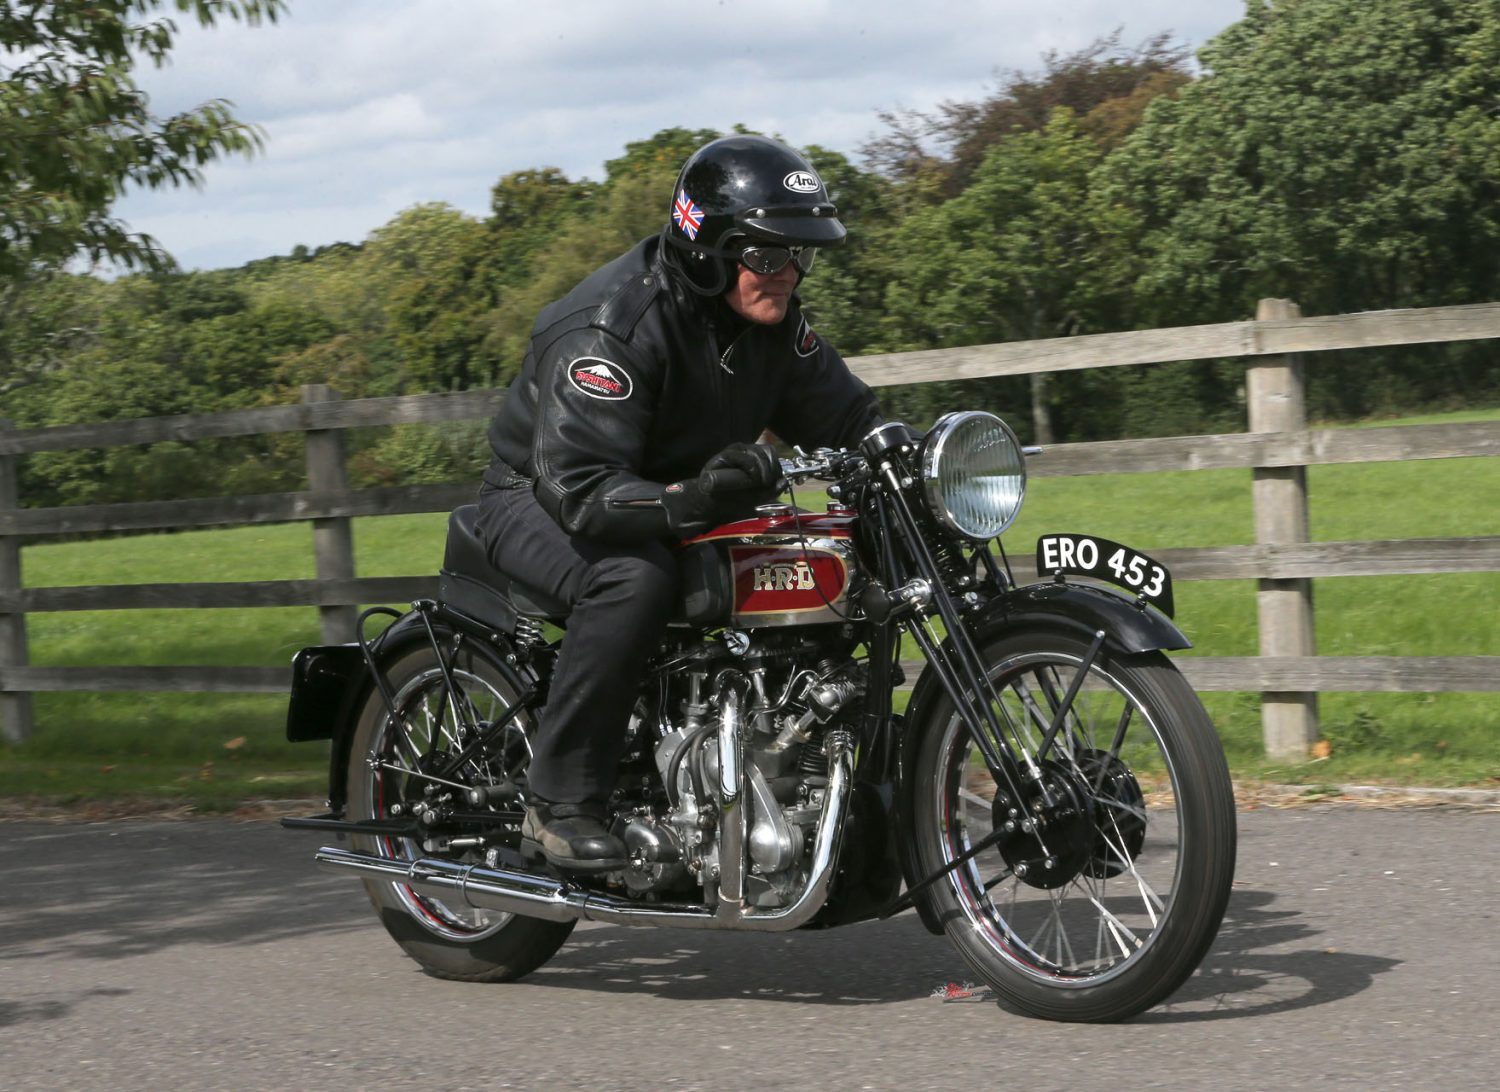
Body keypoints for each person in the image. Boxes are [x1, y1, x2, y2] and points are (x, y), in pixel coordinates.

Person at [475, 134, 882, 872]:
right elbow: (585, 488)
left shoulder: (771, 324)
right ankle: (560, 798)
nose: (788, 273)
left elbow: (853, 421)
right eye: (766, 255)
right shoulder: (613, 326)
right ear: (708, 248)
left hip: (671, 496)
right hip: (539, 496)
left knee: (825, 554)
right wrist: (694, 497)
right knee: (634, 577)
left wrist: (910, 458)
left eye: (798, 254)